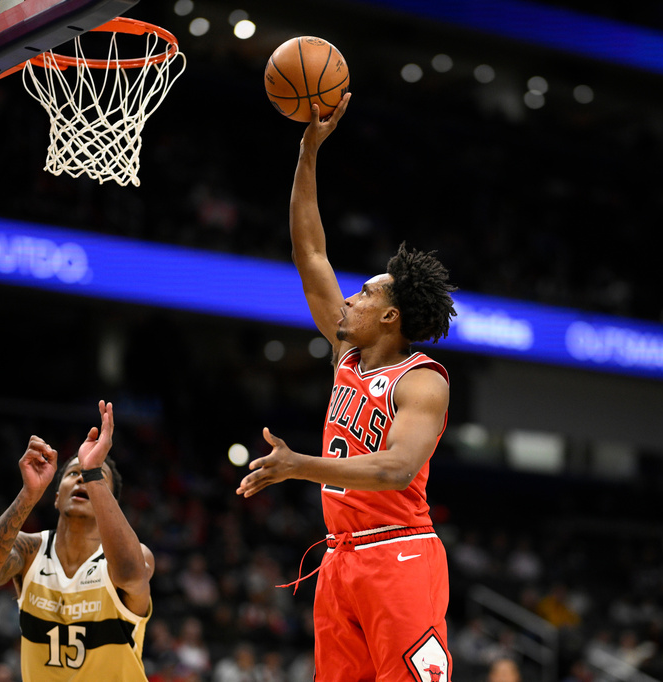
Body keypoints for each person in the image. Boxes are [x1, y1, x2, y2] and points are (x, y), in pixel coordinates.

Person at [236, 93, 457, 681]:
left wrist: (297, 466)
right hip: (340, 558)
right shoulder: (348, 354)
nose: (350, 299)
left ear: (390, 317)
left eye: (364, 295)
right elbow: (309, 252)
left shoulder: (422, 382)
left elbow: (395, 470)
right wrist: (307, 154)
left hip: (399, 552)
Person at [0, 400, 155, 681]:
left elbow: (130, 575)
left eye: (93, 478)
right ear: (56, 496)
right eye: (73, 474)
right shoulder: (30, 550)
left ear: (109, 503)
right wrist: (29, 494)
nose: (82, 480)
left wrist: (94, 474)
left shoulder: (136, 556)